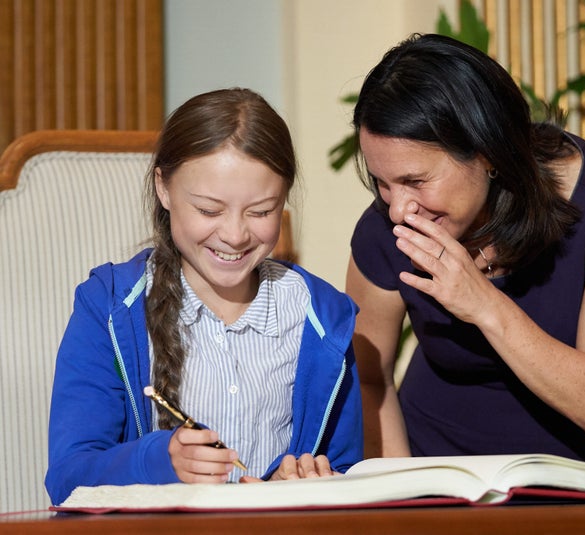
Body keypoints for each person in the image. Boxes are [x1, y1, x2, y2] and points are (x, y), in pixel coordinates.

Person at [346, 33, 585, 472]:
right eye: (382, 181)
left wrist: (483, 304)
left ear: (488, 153)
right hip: (443, 474)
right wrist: (401, 487)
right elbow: (369, 376)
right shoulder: (389, 224)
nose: (397, 208)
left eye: (416, 181)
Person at [45, 88, 363, 505]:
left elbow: (347, 472)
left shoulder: (323, 319)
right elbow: (68, 479)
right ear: (164, 188)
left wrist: (304, 482)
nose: (234, 234)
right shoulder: (106, 308)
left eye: (262, 211)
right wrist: (161, 462)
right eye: (210, 210)